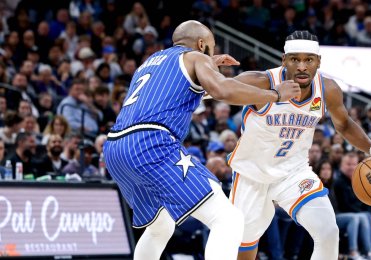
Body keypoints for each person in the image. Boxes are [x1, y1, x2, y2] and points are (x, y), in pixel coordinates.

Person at [103, 20, 301, 260]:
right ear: (201, 44)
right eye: (212, 48)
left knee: (159, 227)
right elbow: (222, 91)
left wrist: (208, 65)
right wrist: (276, 95)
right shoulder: (196, 58)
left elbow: (192, 89)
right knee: (228, 218)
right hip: (150, 142)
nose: (213, 54)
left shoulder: (150, 63)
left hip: (115, 147)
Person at [228, 30, 371, 260]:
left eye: (308, 59)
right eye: (295, 59)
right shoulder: (262, 81)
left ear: (318, 62)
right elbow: (221, 90)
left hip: (293, 172)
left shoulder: (327, 89)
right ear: (284, 60)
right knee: (244, 244)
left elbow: (345, 123)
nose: (302, 66)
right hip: (252, 172)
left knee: (328, 231)